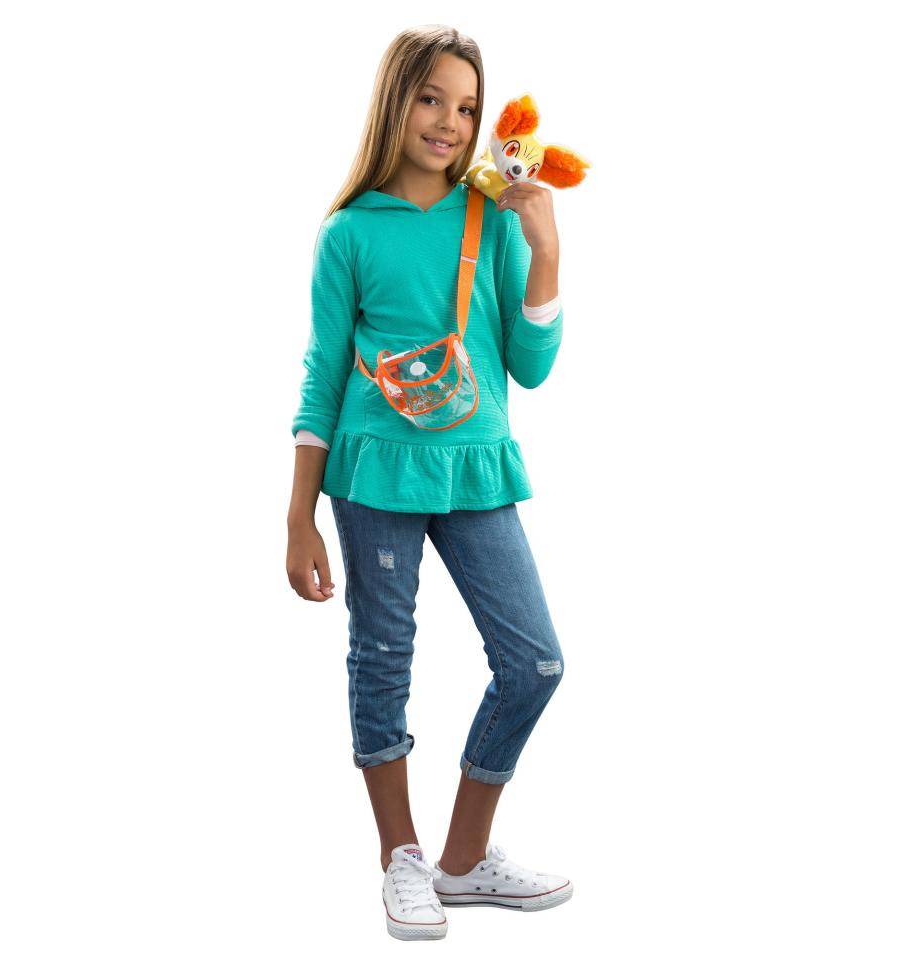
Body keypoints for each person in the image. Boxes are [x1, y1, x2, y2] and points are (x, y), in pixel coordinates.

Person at [286, 25, 573, 941]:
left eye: (467, 107)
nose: (450, 122)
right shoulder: (349, 232)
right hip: (372, 469)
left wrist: (546, 252)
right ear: (394, 102)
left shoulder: (493, 217)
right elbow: (323, 373)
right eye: (430, 98)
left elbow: (531, 366)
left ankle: (464, 858)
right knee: (383, 659)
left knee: (534, 661)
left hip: (478, 464)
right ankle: (400, 859)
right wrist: (298, 515)